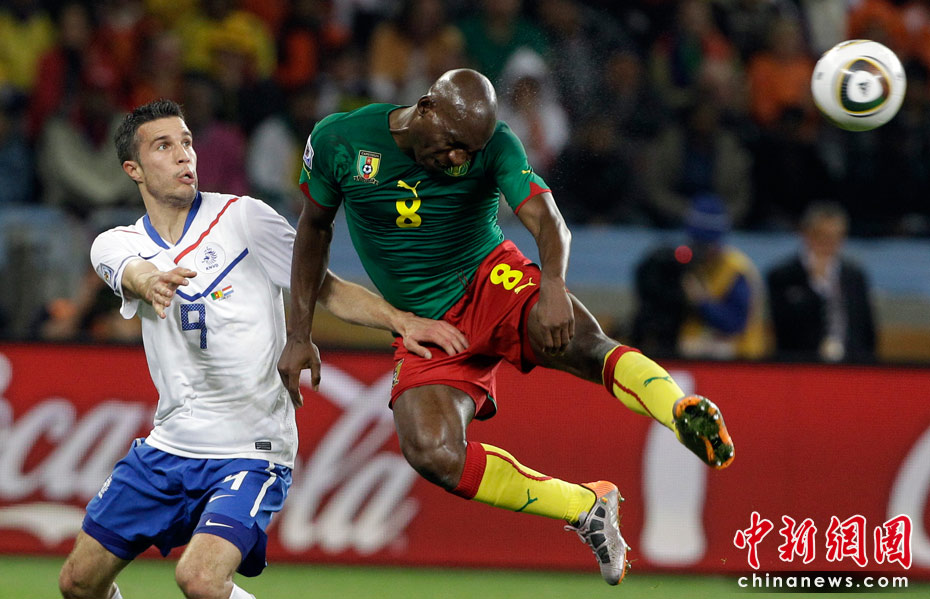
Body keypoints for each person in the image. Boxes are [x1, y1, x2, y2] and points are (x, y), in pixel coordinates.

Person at [278, 69, 737, 586]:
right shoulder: (340, 140)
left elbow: (547, 219)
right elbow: (313, 230)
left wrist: (553, 284)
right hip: (425, 324)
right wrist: (299, 335)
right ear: (426, 107)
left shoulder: (495, 144)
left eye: (469, 151)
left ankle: (679, 411)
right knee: (432, 452)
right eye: (453, 144)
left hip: (492, 282)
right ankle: (585, 506)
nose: (459, 159)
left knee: (583, 345)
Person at [58, 99, 466, 599]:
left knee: (201, 580)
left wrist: (401, 321)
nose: (183, 155)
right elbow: (132, 272)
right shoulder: (115, 241)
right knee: (78, 583)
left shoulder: (243, 218)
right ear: (133, 170)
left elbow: (324, 285)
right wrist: (151, 281)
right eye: (163, 146)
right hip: (169, 445)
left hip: (251, 449)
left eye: (186, 142)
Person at [632, 194, 767, 360]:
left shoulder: (737, 271)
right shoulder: (689, 266)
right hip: (695, 354)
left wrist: (701, 302)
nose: (699, 251)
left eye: (704, 245)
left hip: (741, 358)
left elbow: (735, 323)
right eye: (695, 243)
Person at [767, 201, 876, 362]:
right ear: (806, 234)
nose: (828, 244)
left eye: (835, 237)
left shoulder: (854, 276)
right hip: (802, 365)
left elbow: (866, 331)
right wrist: (817, 286)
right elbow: (784, 331)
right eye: (822, 236)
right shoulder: (783, 276)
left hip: (851, 365)